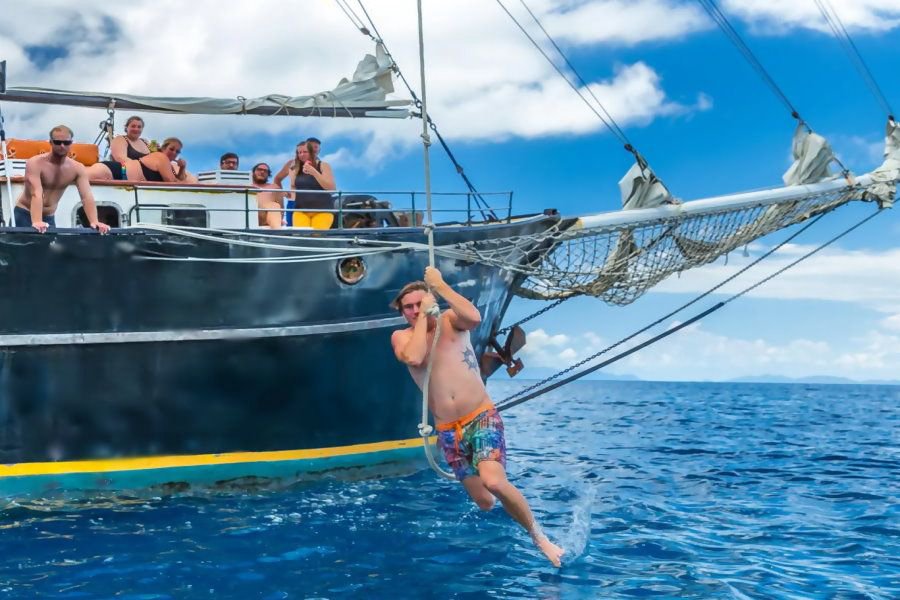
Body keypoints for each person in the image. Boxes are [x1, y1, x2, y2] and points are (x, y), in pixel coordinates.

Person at [390, 267, 565, 567]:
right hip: (448, 430)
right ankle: (509, 501)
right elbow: (415, 357)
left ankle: (540, 538)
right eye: (409, 307)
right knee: (485, 502)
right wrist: (422, 319)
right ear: (402, 311)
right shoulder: (401, 337)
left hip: (480, 416)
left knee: (494, 482)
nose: (415, 310)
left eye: (420, 303)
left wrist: (441, 288)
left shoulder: (449, 320)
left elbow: (474, 318)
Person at [14, 125, 111, 234]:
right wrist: (37, 221)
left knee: (48, 250)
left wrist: (94, 221)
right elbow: (36, 193)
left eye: (66, 143)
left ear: (71, 143)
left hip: (49, 218)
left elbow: (86, 196)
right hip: (24, 214)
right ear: (50, 142)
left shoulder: (77, 168)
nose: (62, 146)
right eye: (57, 142)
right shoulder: (35, 163)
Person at [251, 162, 285, 229]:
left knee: (274, 205)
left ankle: (277, 231)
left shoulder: (274, 187)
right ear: (253, 172)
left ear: (268, 174)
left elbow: (281, 209)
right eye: (259, 169)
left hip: (268, 218)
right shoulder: (246, 185)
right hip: (249, 215)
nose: (262, 172)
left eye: (265, 171)